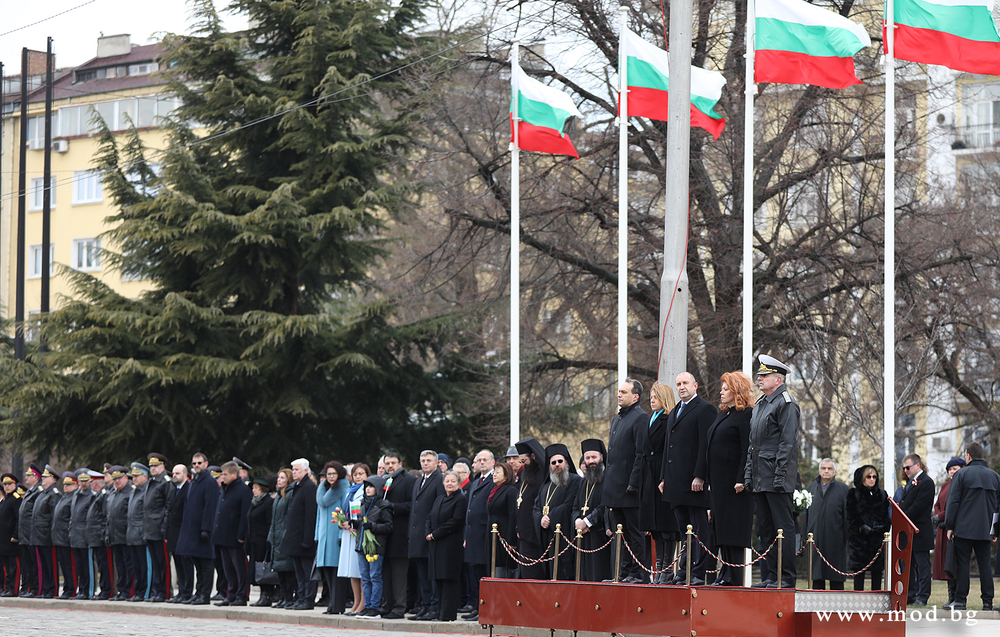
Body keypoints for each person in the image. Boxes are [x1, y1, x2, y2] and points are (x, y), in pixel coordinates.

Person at [744, 354, 799, 589]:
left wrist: (780, 475)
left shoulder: (786, 403)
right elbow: (752, 445)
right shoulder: (760, 405)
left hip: (777, 478)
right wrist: (748, 474)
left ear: (778, 379)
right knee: (765, 530)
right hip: (761, 477)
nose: (759, 379)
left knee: (782, 529)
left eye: (764, 376)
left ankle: (785, 577)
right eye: (759, 375)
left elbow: (787, 444)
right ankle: (770, 576)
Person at [659, 372, 717, 585]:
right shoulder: (674, 411)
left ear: (695, 385)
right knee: (684, 531)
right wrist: (663, 477)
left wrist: (700, 475)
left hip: (694, 483)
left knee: (699, 529)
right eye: (678, 384)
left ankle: (698, 572)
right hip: (675, 483)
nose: (681, 387)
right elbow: (669, 448)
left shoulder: (705, 409)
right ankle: (684, 570)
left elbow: (705, 445)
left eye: (685, 383)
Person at [705, 371, 754, 587]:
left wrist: (742, 477)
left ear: (737, 392)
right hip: (719, 482)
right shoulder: (723, 414)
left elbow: (747, 449)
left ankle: (734, 577)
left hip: (735, 484)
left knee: (733, 530)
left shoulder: (746, 414)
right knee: (721, 529)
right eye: (722, 388)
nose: (721, 392)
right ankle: (724, 572)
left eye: (726, 389)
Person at [944, 442, 999, 611]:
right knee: (985, 565)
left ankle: (960, 601)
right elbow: (998, 505)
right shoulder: (995, 476)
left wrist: (950, 525)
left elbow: (953, 502)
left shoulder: (962, 474)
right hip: (985, 529)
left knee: (963, 564)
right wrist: (996, 529)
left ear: (968, 456)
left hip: (963, 528)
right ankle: (987, 602)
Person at [604, 378, 648, 583]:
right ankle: (624, 571)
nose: (619, 394)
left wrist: (634, 482)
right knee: (620, 533)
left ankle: (638, 573)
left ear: (635, 396)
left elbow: (640, 453)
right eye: (619, 391)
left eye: (624, 392)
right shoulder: (618, 418)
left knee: (634, 532)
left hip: (629, 488)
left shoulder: (639, 417)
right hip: (615, 486)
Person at [636, 382, 676, 584]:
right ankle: (659, 566)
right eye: (651, 396)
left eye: (656, 397)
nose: (652, 400)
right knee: (656, 526)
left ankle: (667, 568)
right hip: (649, 474)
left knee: (667, 524)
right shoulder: (649, 419)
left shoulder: (669, 419)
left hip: (662, 471)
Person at [174, 453, 220, 606]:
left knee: (206, 565)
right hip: (191, 530)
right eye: (194, 463)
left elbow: (210, 507)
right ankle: (198, 592)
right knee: (197, 564)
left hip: (203, 531)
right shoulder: (194, 482)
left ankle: (205, 595)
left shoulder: (210, 482)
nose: (196, 466)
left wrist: (206, 529)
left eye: (199, 463)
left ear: (206, 464)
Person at [532, 443, 581, 581]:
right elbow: (536, 508)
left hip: (565, 536)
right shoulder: (545, 485)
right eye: (553, 462)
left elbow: (570, 504)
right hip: (547, 536)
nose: (557, 464)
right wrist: (541, 518)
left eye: (560, 461)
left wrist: (550, 517)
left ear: (566, 462)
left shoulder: (575, 480)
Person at [407, 450, 445, 620]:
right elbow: (414, 510)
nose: (425, 463)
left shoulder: (439, 480)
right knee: (422, 574)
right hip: (417, 535)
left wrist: (432, 531)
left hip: (430, 534)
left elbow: (438, 508)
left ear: (436, 463)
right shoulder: (418, 481)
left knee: (431, 574)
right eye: (423, 460)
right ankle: (425, 605)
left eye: (429, 460)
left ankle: (434, 607)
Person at [426, 471, 467, 622]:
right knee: (438, 579)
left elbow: (455, 521)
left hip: (450, 544)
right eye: (447, 481)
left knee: (448, 579)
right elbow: (430, 517)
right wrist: (428, 532)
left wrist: (435, 534)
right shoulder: (439, 498)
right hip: (436, 544)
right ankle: (439, 612)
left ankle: (447, 614)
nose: (449, 484)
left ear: (458, 483)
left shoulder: (460, 499)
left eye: (453, 481)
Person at [802, 459, 849, 590]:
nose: (826, 471)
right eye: (823, 468)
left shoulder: (843, 489)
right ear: (819, 471)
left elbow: (847, 515)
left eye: (829, 469)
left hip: (836, 539)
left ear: (835, 472)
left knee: (836, 576)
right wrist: (804, 534)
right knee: (817, 576)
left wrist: (847, 536)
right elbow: (805, 513)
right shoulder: (811, 488)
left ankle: (837, 606)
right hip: (815, 538)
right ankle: (817, 606)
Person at [379, 451, 415, 619]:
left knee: (399, 574)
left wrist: (392, 506)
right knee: (385, 573)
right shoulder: (384, 480)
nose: (390, 466)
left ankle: (399, 607)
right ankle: (387, 605)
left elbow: (411, 506)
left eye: (393, 463)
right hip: (385, 535)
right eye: (387, 463)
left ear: (400, 464)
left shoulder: (409, 481)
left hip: (400, 535)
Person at [213, 461, 253, 607]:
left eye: (225, 474)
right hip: (223, 535)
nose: (223, 477)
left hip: (235, 537)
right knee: (227, 568)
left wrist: (241, 535)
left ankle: (242, 595)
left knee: (239, 568)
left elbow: (244, 515)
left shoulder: (243, 490)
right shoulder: (226, 489)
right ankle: (231, 594)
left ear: (234, 474)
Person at [572, 439, 612, 583]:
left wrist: (587, 522)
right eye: (587, 458)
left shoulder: (608, 478)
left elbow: (605, 505)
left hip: (600, 535)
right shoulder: (583, 481)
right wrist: (578, 521)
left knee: (599, 575)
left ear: (601, 457)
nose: (591, 461)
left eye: (594, 457)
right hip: (583, 535)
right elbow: (575, 507)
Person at [281, 458, 318, 610]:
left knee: (307, 572)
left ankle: (308, 600)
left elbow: (310, 516)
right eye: (293, 470)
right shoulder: (297, 487)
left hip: (304, 539)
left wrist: (308, 539)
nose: (294, 472)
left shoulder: (309, 487)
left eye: (296, 470)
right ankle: (300, 597)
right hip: (295, 539)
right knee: (299, 573)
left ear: (305, 471)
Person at [846, 464, 890, 591]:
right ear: (862, 478)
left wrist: (880, 527)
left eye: (874, 477)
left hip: (877, 540)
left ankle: (876, 597)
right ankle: (858, 598)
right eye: (868, 477)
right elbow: (851, 514)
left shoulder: (882, 494)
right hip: (859, 540)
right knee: (859, 571)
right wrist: (862, 526)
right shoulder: (853, 493)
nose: (872, 479)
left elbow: (886, 515)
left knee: (877, 572)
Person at [462, 449, 495, 620]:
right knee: (475, 573)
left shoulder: (493, 480)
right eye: (479, 460)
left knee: (485, 572)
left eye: (485, 460)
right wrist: (466, 536)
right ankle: (477, 606)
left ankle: (486, 608)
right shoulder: (476, 481)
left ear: (492, 462)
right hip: (472, 534)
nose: (482, 462)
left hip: (485, 534)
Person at [354, 475, 393, 617]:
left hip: (375, 547)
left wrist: (372, 526)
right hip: (361, 545)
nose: (368, 489)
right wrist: (355, 525)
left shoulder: (383, 505)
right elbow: (359, 523)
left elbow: (388, 527)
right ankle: (367, 605)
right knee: (365, 577)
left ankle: (375, 607)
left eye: (371, 486)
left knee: (374, 576)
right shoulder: (361, 504)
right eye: (366, 487)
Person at [899, 452, 934, 605]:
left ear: (917, 465)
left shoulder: (926, 482)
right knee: (908, 566)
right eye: (904, 468)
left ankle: (923, 596)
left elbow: (918, 505)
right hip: (908, 531)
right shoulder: (910, 482)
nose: (905, 470)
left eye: (908, 467)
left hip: (919, 530)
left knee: (922, 565)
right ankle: (910, 595)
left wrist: (903, 516)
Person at [315, 460, 348, 615]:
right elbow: (318, 516)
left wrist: (342, 535)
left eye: (334, 473)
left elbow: (345, 512)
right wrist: (317, 536)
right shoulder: (322, 489)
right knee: (327, 572)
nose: (331, 477)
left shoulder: (343, 489)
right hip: (323, 537)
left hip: (336, 536)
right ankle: (331, 604)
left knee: (337, 573)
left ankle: (338, 605)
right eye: (328, 474)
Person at [932, 457, 966, 604]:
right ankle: (950, 596)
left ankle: (957, 597)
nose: (952, 472)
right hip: (943, 529)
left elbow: (956, 506)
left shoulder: (963, 485)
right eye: (950, 470)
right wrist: (938, 515)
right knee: (946, 564)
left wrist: (941, 516)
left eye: (955, 469)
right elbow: (938, 503)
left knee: (955, 563)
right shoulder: (945, 485)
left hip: (954, 529)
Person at [513, 437, 546, 580]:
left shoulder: (542, 475)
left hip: (536, 535)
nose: (523, 464)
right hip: (524, 535)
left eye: (524, 461)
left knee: (534, 575)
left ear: (533, 456)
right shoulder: (526, 476)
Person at [339, 463, 368, 615]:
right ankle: (356, 602)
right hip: (348, 533)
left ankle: (363, 602)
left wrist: (351, 523)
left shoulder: (366, 490)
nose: (358, 477)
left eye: (361, 474)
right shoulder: (350, 491)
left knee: (359, 569)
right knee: (351, 569)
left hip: (359, 532)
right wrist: (342, 522)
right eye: (355, 474)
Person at [143, 453, 172, 603]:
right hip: (150, 529)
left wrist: (164, 528)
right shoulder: (151, 482)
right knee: (155, 563)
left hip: (159, 529)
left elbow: (168, 507)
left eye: (155, 466)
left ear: (163, 467)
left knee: (163, 563)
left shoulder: (165, 482)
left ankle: (165, 592)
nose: (153, 469)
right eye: (151, 466)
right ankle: (157, 590)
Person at [267, 468, 297, 609]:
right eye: (278, 477)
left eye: (282, 478)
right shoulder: (278, 495)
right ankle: (283, 597)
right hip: (276, 536)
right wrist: (271, 536)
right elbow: (274, 519)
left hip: (285, 536)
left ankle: (289, 598)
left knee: (288, 570)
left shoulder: (290, 494)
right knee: (279, 571)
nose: (279, 480)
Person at [31, 465, 61, 599]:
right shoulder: (42, 494)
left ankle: (52, 590)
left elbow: (54, 518)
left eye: (45, 477)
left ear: (53, 480)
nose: (42, 479)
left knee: (50, 565)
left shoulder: (54, 495)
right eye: (42, 477)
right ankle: (45, 589)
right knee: (43, 565)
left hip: (48, 536)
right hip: (39, 536)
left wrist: (52, 535)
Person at [105, 465, 134, 601]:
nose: (117, 481)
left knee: (129, 565)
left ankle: (128, 591)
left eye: (120, 478)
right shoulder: (113, 494)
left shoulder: (130, 493)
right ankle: (122, 590)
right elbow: (109, 517)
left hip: (126, 535)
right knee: (120, 566)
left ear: (126, 478)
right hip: (115, 536)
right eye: (115, 479)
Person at [486, 462, 518, 579]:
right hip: (493, 534)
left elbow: (512, 515)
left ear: (506, 475)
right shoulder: (494, 490)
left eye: (498, 472)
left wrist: (510, 541)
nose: (494, 474)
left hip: (504, 534)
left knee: (503, 568)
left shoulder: (511, 491)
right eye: (494, 472)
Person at [165, 464, 191, 603]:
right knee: (178, 564)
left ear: (185, 475)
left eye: (178, 473)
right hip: (174, 533)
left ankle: (187, 592)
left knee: (185, 564)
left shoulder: (188, 489)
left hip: (184, 532)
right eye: (173, 473)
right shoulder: (173, 490)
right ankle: (181, 592)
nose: (174, 476)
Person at [86, 468, 112, 600]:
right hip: (96, 537)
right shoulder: (99, 495)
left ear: (95, 483)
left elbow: (104, 517)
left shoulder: (104, 494)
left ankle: (107, 590)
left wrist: (102, 534)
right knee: (102, 565)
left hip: (100, 537)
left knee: (105, 566)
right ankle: (104, 589)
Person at [68, 469, 94, 599]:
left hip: (85, 536)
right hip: (75, 535)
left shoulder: (91, 496)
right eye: (81, 481)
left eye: (86, 481)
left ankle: (88, 591)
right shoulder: (76, 495)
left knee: (86, 566)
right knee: (79, 566)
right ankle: (82, 589)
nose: (83, 483)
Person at [126, 463, 150, 601]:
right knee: (136, 567)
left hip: (141, 534)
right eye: (133, 476)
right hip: (132, 534)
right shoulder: (135, 491)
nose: (134, 479)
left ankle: (144, 592)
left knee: (144, 566)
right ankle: (138, 591)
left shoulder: (146, 491)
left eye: (137, 476)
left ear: (144, 476)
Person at [17, 464, 42, 597]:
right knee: (28, 564)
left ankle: (35, 589)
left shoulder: (38, 491)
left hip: (32, 534)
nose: (26, 478)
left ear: (36, 477)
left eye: (29, 475)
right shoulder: (30, 491)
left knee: (34, 564)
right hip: (25, 534)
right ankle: (30, 588)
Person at [52, 472, 78, 599]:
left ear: (75, 486)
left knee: (69, 565)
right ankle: (67, 588)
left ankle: (71, 589)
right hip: (59, 537)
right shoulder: (64, 497)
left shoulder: (73, 498)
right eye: (65, 484)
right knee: (64, 565)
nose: (66, 486)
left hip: (67, 537)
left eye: (69, 484)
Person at [0, 473, 20, 597]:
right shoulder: (5, 500)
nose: (7, 487)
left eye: (9, 484)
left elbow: (19, 519)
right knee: (6, 566)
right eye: (5, 484)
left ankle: (14, 589)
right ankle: (7, 588)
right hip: (3, 540)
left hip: (12, 539)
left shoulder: (16, 499)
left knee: (14, 566)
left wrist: (16, 534)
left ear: (14, 485)